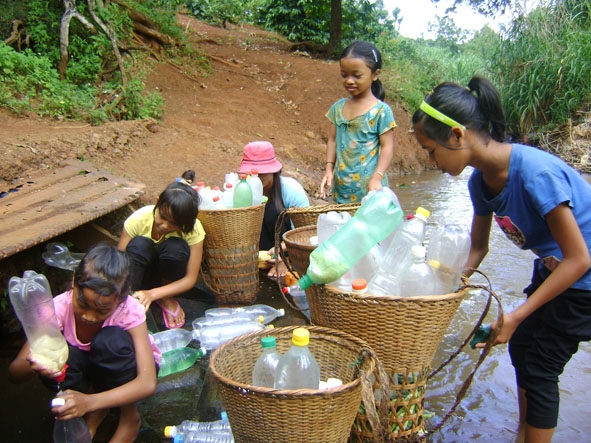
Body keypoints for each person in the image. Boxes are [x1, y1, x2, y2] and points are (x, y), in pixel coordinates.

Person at [411, 75, 591, 443]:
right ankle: (524, 433)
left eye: (430, 150)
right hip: (553, 266)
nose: (432, 160)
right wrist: (445, 291)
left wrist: (517, 314)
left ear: (457, 136)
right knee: (524, 347)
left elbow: (579, 258)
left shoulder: (534, 175)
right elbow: (479, 247)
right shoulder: (480, 182)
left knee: (541, 365)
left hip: (582, 277)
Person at [8, 243, 160, 441]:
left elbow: (147, 383)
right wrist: (35, 363)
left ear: (120, 300)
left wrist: (89, 402)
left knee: (110, 341)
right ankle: (94, 409)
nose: (89, 316)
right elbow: (15, 372)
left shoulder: (129, 311)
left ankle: (129, 416)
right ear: (74, 282)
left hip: (123, 367)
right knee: (61, 355)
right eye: (83, 304)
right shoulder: (57, 309)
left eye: (102, 311)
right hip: (89, 371)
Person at [118, 179, 205, 329]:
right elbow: (117, 261)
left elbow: (190, 279)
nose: (165, 226)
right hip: (139, 276)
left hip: (168, 280)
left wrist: (153, 294)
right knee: (140, 244)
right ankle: (131, 298)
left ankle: (165, 296)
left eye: (174, 224)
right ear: (158, 202)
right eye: (163, 217)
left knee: (175, 248)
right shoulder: (139, 219)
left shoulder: (193, 230)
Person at [320, 41, 396, 203]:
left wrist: (377, 177)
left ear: (375, 74)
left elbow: (387, 146)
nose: (349, 80)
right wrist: (328, 170)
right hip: (342, 188)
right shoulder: (338, 108)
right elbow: (332, 140)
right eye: (344, 75)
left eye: (357, 75)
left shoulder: (381, 112)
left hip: (370, 191)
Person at [237, 141, 310, 280]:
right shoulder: (244, 190)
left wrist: (285, 258)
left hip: (291, 251)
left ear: (273, 171)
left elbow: (304, 234)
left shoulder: (292, 191)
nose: (256, 178)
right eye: (252, 174)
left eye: (261, 174)